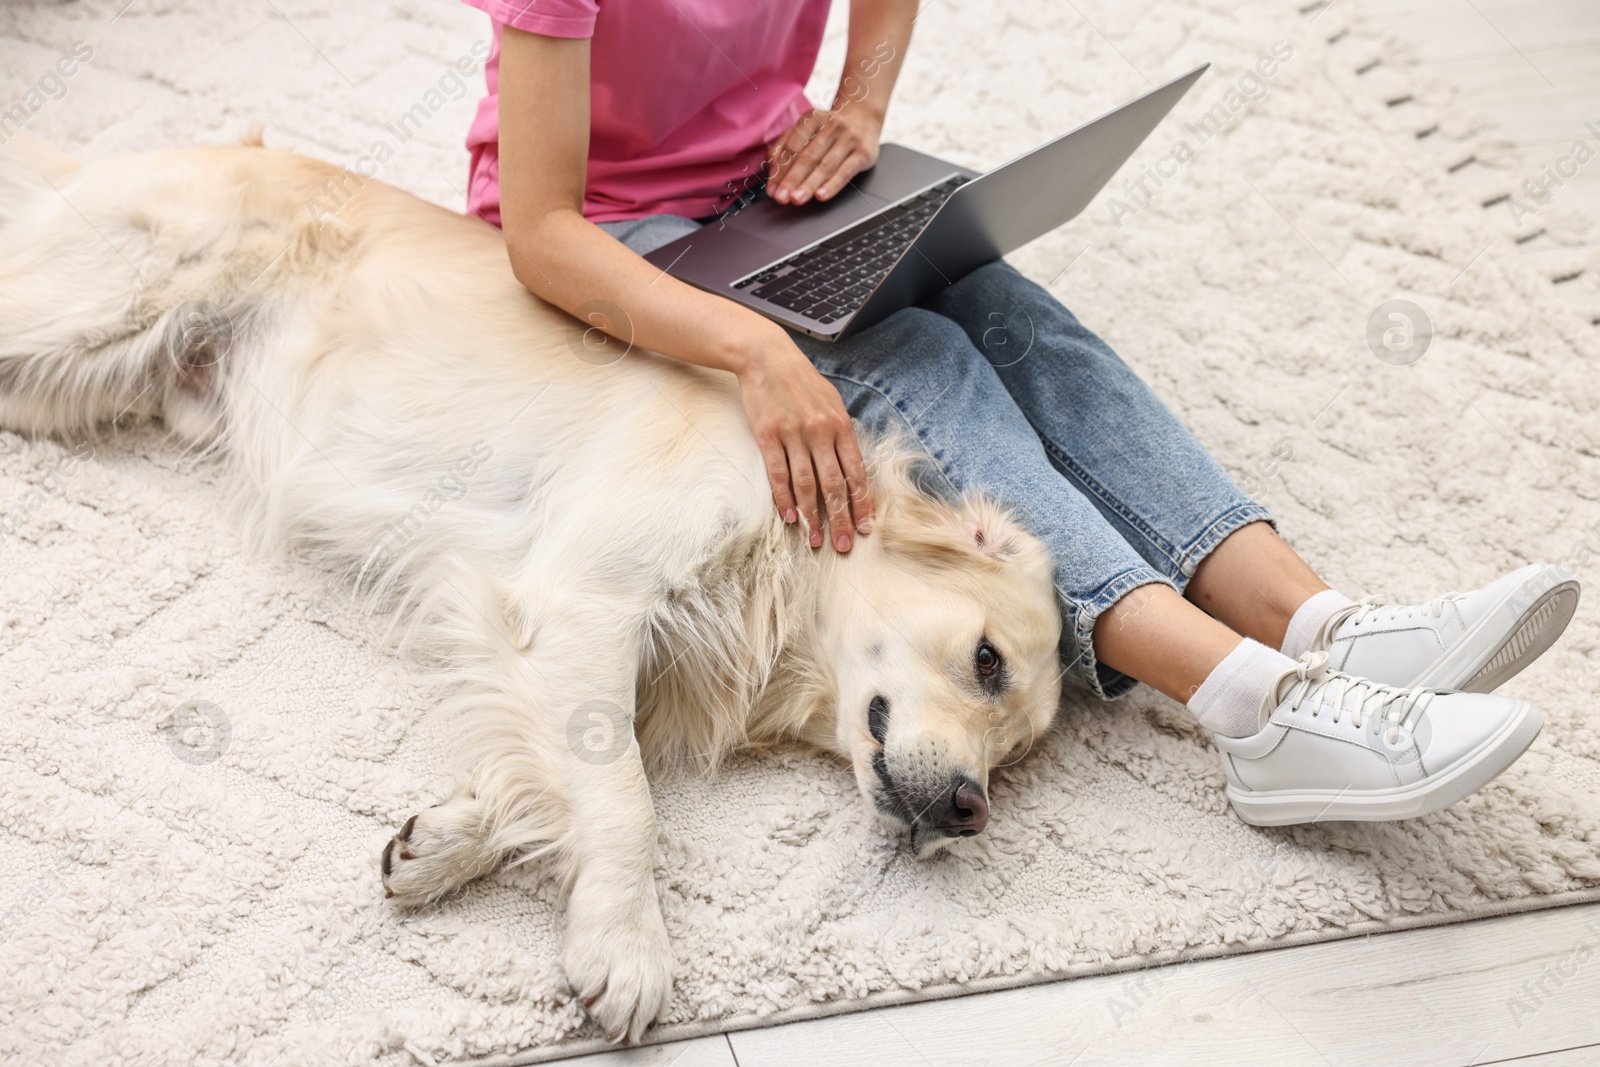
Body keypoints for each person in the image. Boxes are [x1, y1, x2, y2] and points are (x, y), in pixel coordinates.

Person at [458, 0, 1578, 824]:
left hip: (776, 188)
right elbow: (541, 230)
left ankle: (1320, 626)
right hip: (629, 238)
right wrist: (754, 348)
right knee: (922, 359)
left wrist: (859, 104)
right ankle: (1257, 709)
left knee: (1011, 316)